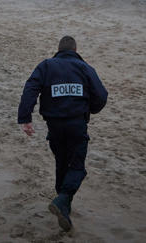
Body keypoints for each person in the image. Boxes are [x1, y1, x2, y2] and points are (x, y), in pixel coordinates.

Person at [18, 36, 108, 231]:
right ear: (75, 50)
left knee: (62, 163)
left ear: (58, 50)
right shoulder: (85, 68)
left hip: (55, 125)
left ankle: (63, 206)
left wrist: (25, 118)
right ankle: (63, 199)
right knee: (77, 167)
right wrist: (90, 108)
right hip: (76, 124)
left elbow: (30, 88)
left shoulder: (46, 65)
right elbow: (101, 96)